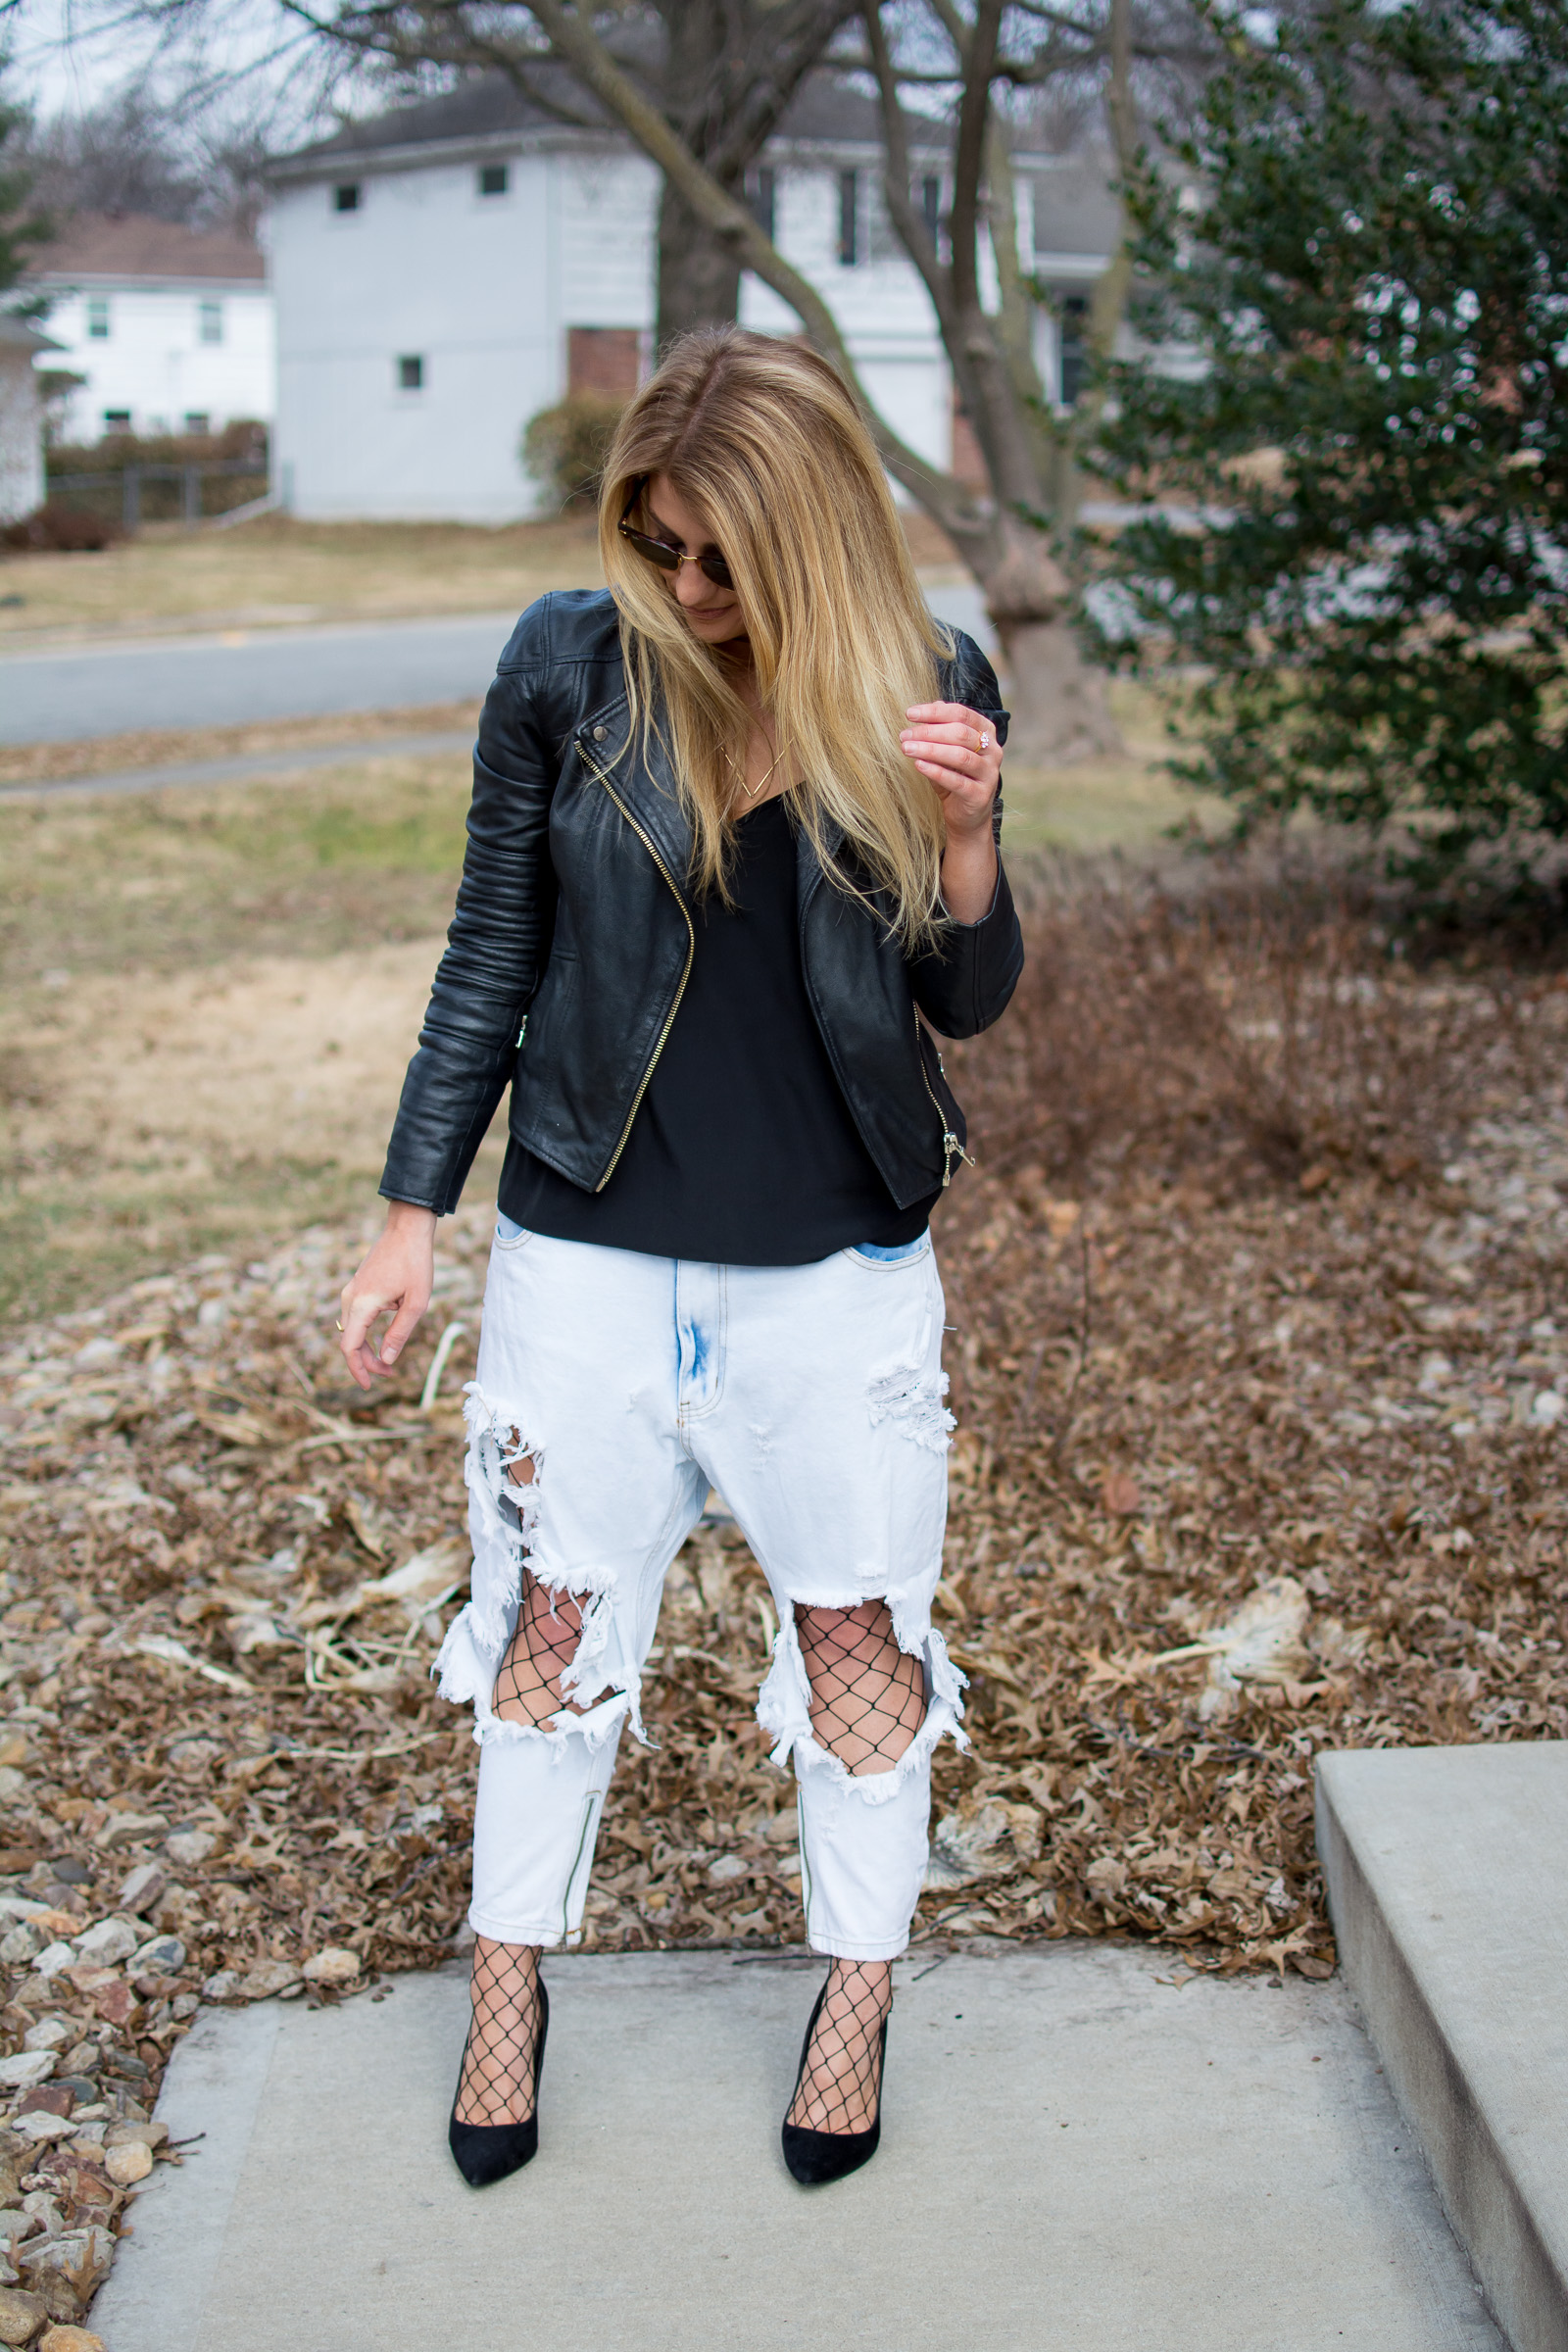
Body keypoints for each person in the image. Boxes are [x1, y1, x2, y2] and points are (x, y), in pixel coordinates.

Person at [337, 325, 1023, 2190]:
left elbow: (964, 995)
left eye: (723, 558)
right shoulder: (570, 665)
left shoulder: (928, 681)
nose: (687, 589)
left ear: (808, 536)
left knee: (854, 1635)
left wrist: (965, 839)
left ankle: (856, 2002)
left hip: (833, 1266)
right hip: (589, 1252)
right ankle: (506, 1995)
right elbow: (492, 942)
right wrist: (415, 1212)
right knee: (547, 1631)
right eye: (659, 547)